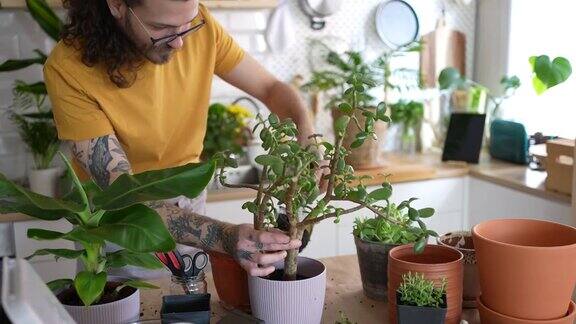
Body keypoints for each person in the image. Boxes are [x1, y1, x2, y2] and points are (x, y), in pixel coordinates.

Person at [44, 0, 314, 277]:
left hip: (190, 208)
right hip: (120, 225)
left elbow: (270, 88)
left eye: (188, 23)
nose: (180, 43)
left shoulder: (200, 29)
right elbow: (122, 192)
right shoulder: (68, 69)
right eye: (161, 27)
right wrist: (224, 237)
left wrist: (309, 142)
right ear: (116, 5)